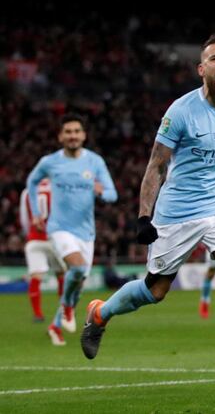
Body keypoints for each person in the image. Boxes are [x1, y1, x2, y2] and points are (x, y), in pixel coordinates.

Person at [80, 33, 215, 398]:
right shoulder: (181, 111)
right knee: (155, 291)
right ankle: (100, 313)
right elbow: (157, 165)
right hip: (178, 211)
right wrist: (144, 216)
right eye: (214, 58)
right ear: (202, 69)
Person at [26, 114, 118, 345]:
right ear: (60, 136)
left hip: (86, 233)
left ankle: (56, 325)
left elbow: (112, 193)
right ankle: (67, 307)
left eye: (76, 131)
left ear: (84, 135)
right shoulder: (50, 162)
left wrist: (100, 193)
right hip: (59, 228)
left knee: (77, 283)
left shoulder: (95, 161)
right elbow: (32, 182)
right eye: (68, 132)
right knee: (76, 268)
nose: (73, 135)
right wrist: (37, 213)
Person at [19, 179, 65, 323]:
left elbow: (24, 218)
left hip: (35, 239)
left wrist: (31, 234)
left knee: (36, 276)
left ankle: (38, 314)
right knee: (61, 273)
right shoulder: (58, 188)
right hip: (54, 238)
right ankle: (65, 311)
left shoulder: (27, 191)